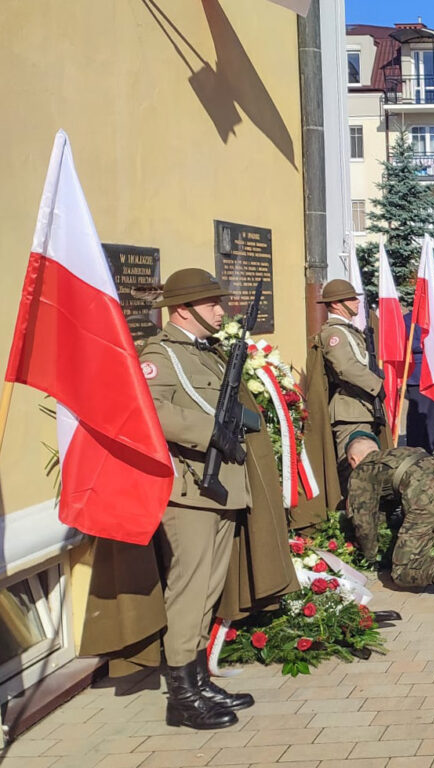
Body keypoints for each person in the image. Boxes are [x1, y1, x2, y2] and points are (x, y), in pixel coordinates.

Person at [139, 269, 260, 729]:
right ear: (183, 309)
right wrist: (212, 432)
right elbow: (151, 409)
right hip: (189, 489)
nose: (220, 309)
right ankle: (182, 697)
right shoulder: (160, 353)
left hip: (221, 486)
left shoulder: (204, 353)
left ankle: (197, 678)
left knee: (208, 589)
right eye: (211, 302)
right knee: (188, 591)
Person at [344, 435, 434, 612]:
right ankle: (424, 552)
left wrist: (370, 557)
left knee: (402, 572)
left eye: (350, 463)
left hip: (429, 499)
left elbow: (364, 524)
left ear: (354, 459)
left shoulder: (362, 471)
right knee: (418, 533)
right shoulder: (399, 452)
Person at [311, 279, 385, 491]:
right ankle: (352, 518)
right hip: (349, 411)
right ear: (336, 304)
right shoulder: (335, 333)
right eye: (351, 299)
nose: (356, 302)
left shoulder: (349, 331)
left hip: (361, 408)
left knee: (366, 469)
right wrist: (376, 385)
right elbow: (345, 367)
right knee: (354, 472)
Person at [403, 309, 434, 453]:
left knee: (433, 417)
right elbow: (407, 343)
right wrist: (430, 345)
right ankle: (415, 451)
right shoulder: (408, 319)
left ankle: (429, 450)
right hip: (417, 376)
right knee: (418, 417)